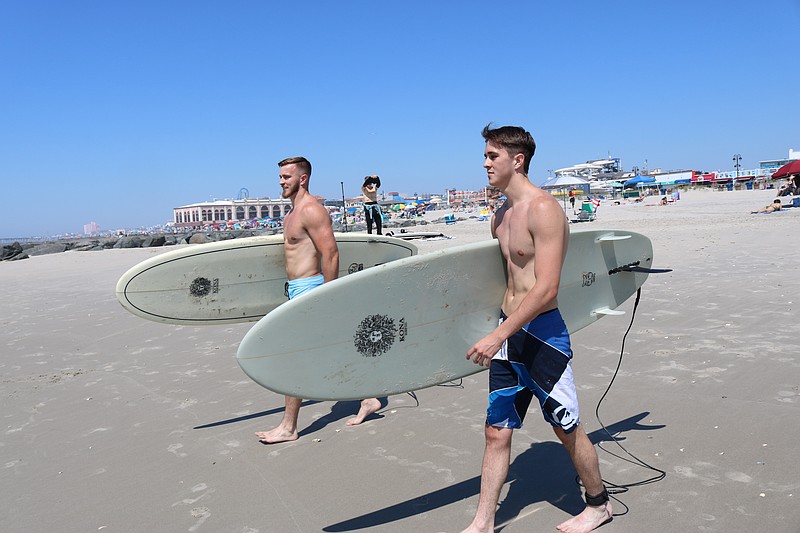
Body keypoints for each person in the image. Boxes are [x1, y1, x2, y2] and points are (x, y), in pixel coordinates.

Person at [460, 125, 612, 533]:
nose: (486, 162)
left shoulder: (544, 208)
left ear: (517, 160)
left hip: (542, 335)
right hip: (508, 335)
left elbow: (545, 288)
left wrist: (497, 334)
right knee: (496, 431)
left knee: (564, 425)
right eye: (486, 155)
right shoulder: (501, 214)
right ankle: (484, 520)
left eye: (493, 155)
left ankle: (598, 504)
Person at [254, 157, 382, 444]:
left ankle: (289, 427)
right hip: (297, 290)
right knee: (331, 350)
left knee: (294, 359)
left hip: (312, 290)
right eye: (280, 176)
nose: (281, 181)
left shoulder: (311, 210)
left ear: (302, 178)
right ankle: (369, 397)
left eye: (286, 176)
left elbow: (331, 253)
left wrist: (329, 295)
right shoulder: (292, 213)